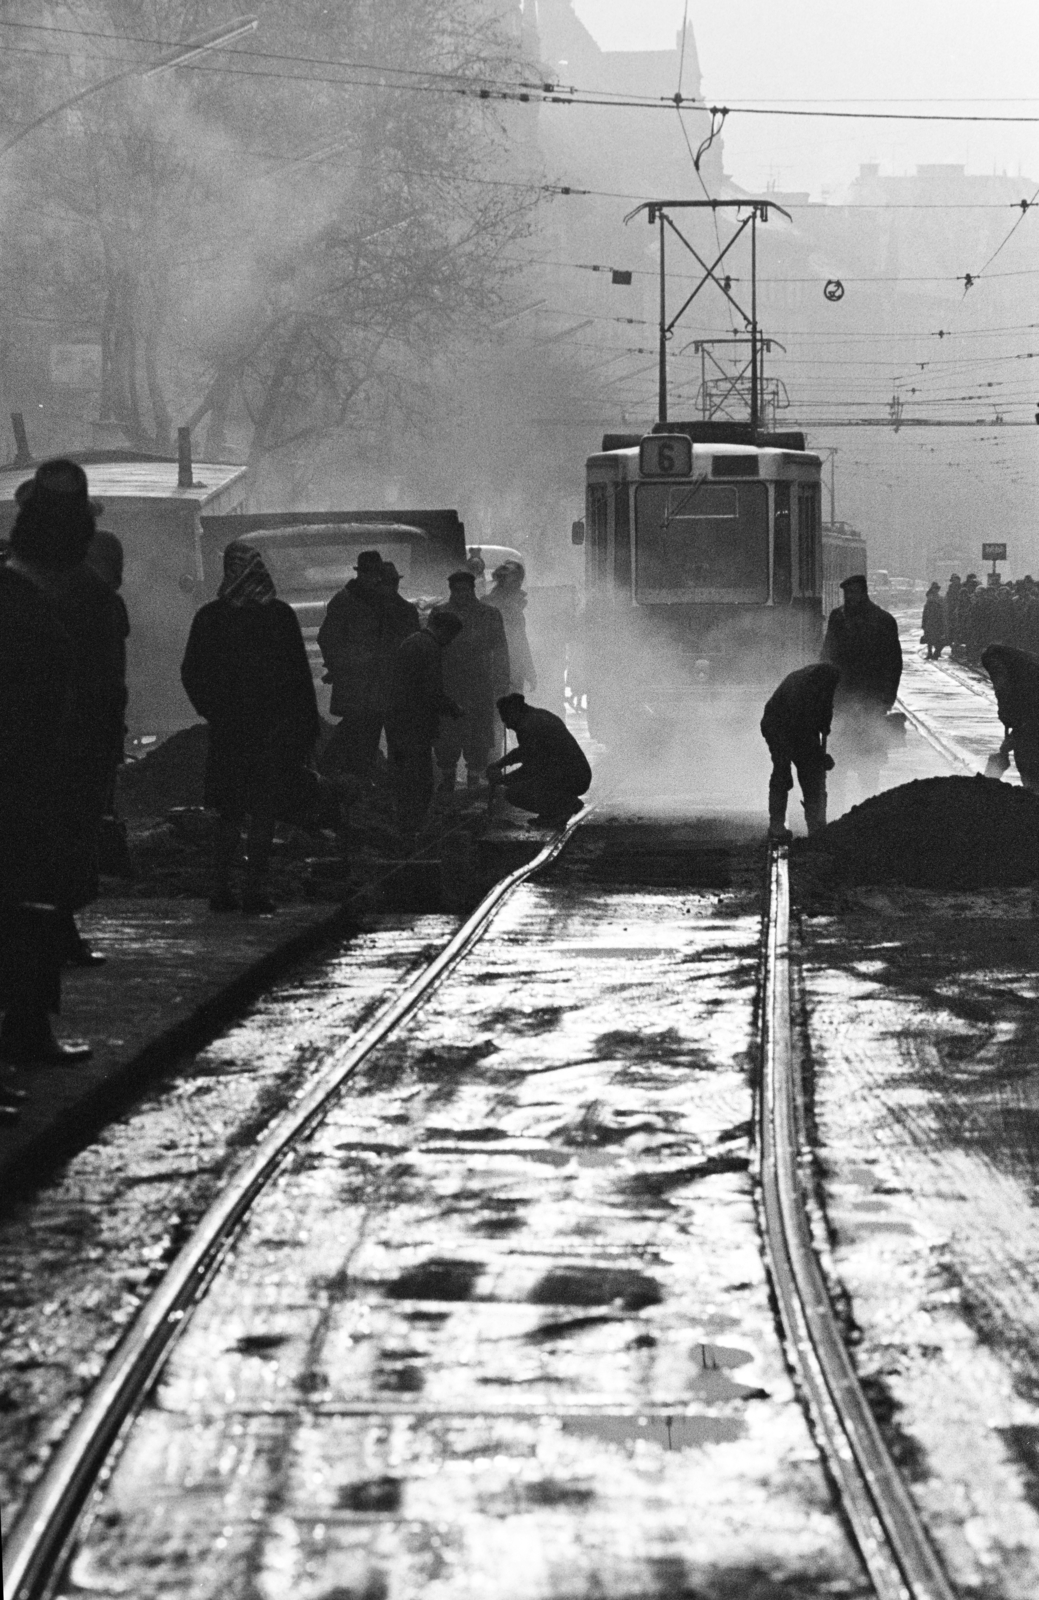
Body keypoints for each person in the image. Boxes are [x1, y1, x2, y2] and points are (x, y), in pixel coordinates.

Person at [0, 463, 95, 1080]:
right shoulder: (30, 617)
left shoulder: (17, 601)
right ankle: (26, 1033)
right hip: (21, 793)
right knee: (25, 910)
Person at [16, 465, 126, 968]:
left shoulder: (13, 588)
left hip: (23, 745)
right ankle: (53, 939)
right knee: (66, 842)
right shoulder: (94, 596)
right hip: (73, 744)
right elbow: (107, 687)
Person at [181, 541, 320, 913]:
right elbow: (298, 677)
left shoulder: (210, 617)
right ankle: (255, 890)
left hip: (230, 735)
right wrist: (306, 728)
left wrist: (215, 713)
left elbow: (192, 673)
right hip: (274, 734)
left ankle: (221, 888)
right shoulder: (279, 616)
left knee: (228, 813)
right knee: (263, 812)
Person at [822, 573, 902, 801]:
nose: (849, 598)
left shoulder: (882, 620)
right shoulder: (838, 618)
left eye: (853, 593)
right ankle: (840, 806)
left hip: (869, 698)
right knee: (839, 758)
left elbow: (893, 662)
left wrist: (887, 698)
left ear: (863, 593)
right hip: (842, 697)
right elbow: (827, 654)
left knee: (868, 759)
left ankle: (865, 804)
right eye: (847, 594)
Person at [384, 611, 464, 834]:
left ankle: (403, 826)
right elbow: (431, 691)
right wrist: (452, 708)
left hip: (398, 719)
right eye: (451, 636)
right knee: (419, 780)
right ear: (445, 631)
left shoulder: (412, 641)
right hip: (414, 722)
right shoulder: (429, 647)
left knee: (403, 776)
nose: (450, 643)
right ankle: (413, 829)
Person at [434, 570, 510, 795]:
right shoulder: (440, 613)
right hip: (448, 683)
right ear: (451, 591)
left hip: (479, 682)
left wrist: (502, 681)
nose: (460, 594)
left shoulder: (488, 614)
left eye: (464, 589)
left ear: (472, 589)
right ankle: (448, 776)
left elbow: (501, 649)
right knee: (447, 733)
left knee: (477, 733)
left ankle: (474, 778)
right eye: (456, 590)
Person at [317, 549, 388, 779]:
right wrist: (338, 666)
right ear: (361, 573)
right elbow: (327, 637)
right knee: (356, 724)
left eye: (376, 573)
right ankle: (332, 767)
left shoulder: (379, 597)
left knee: (370, 724)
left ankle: (360, 774)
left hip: (374, 676)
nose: (373, 577)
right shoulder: (344, 600)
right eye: (369, 573)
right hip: (354, 676)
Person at [760, 664, 840, 841]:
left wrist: (825, 723)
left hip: (798, 728)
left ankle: (815, 826)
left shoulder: (826, 682)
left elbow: (825, 708)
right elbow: (801, 731)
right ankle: (777, 827)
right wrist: (820, 756)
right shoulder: (801, 690)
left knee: (812, 777)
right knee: (783, 774)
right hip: (777, 727)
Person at [487, 693, 592, 827]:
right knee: (535, 782)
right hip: (577, 774)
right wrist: (500, 764)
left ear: (514, 713)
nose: (507, 726)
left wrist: (503, 780)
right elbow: (525, 751)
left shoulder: (528, 726)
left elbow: (531, 768)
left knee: (514, 793)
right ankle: (554, 812)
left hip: (571, 777)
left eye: (506, 719)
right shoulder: (538, 716)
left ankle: (564, 805)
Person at [980, 644, 1039, 790]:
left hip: (1032, 709)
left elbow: (1002, 687)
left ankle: (1032, 792)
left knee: (1027, 754)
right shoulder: (1025, 659)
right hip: (1031, 710)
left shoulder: (993, 659)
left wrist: (1005, 712)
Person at [486, 559, 537, 695]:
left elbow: (520, 640)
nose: (518, 584)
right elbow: (519, 640)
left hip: (510, 668)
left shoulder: (512, 605)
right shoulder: (491, 605)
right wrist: (529, 671)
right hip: (497, 668)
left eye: (519, 580)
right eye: (515, 580)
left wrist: (529, 670)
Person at [921, 582, 947, 660]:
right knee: (929, 639)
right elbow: (925, 614)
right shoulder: (929, 602)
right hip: (930, 623)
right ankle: (930, 653)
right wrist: (924, 623)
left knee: (938, 639)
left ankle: (936, 652)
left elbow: (942, 612)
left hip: (937, 623)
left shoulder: (940, 600)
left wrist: (943, 623)